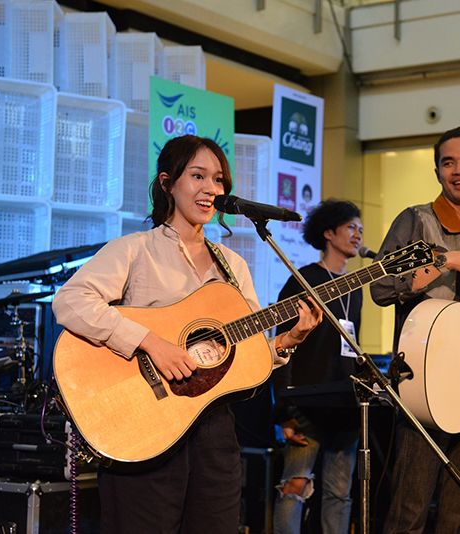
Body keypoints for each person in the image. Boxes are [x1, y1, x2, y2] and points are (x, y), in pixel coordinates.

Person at [52, 135, 322, 534]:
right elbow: (70, 301)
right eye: (198, 176)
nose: (211, 189)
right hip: (145, 424)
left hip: (214, 432)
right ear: (167, 183)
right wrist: (151, 343)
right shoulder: (135, 249)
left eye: (218, 179)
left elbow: (244, 356)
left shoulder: (232, 265)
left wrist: (285, 342)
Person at [371, 126, 460, 533]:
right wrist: (448, 260)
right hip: (426, 380)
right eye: (448, 162)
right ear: (437, 172)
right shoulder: (417, 220)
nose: (459, 170)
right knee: (410, 508)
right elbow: (380, 287)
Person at [272, 199, 365, 534]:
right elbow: (281, 343)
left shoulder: (356, 287)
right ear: (328, 232)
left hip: (344, 406)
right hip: (305, 405)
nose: (358, 235)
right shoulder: (304, 279)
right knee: (294, 487)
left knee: (340, 494)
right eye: (351, 227)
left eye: (361, 229)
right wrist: (283, 410)